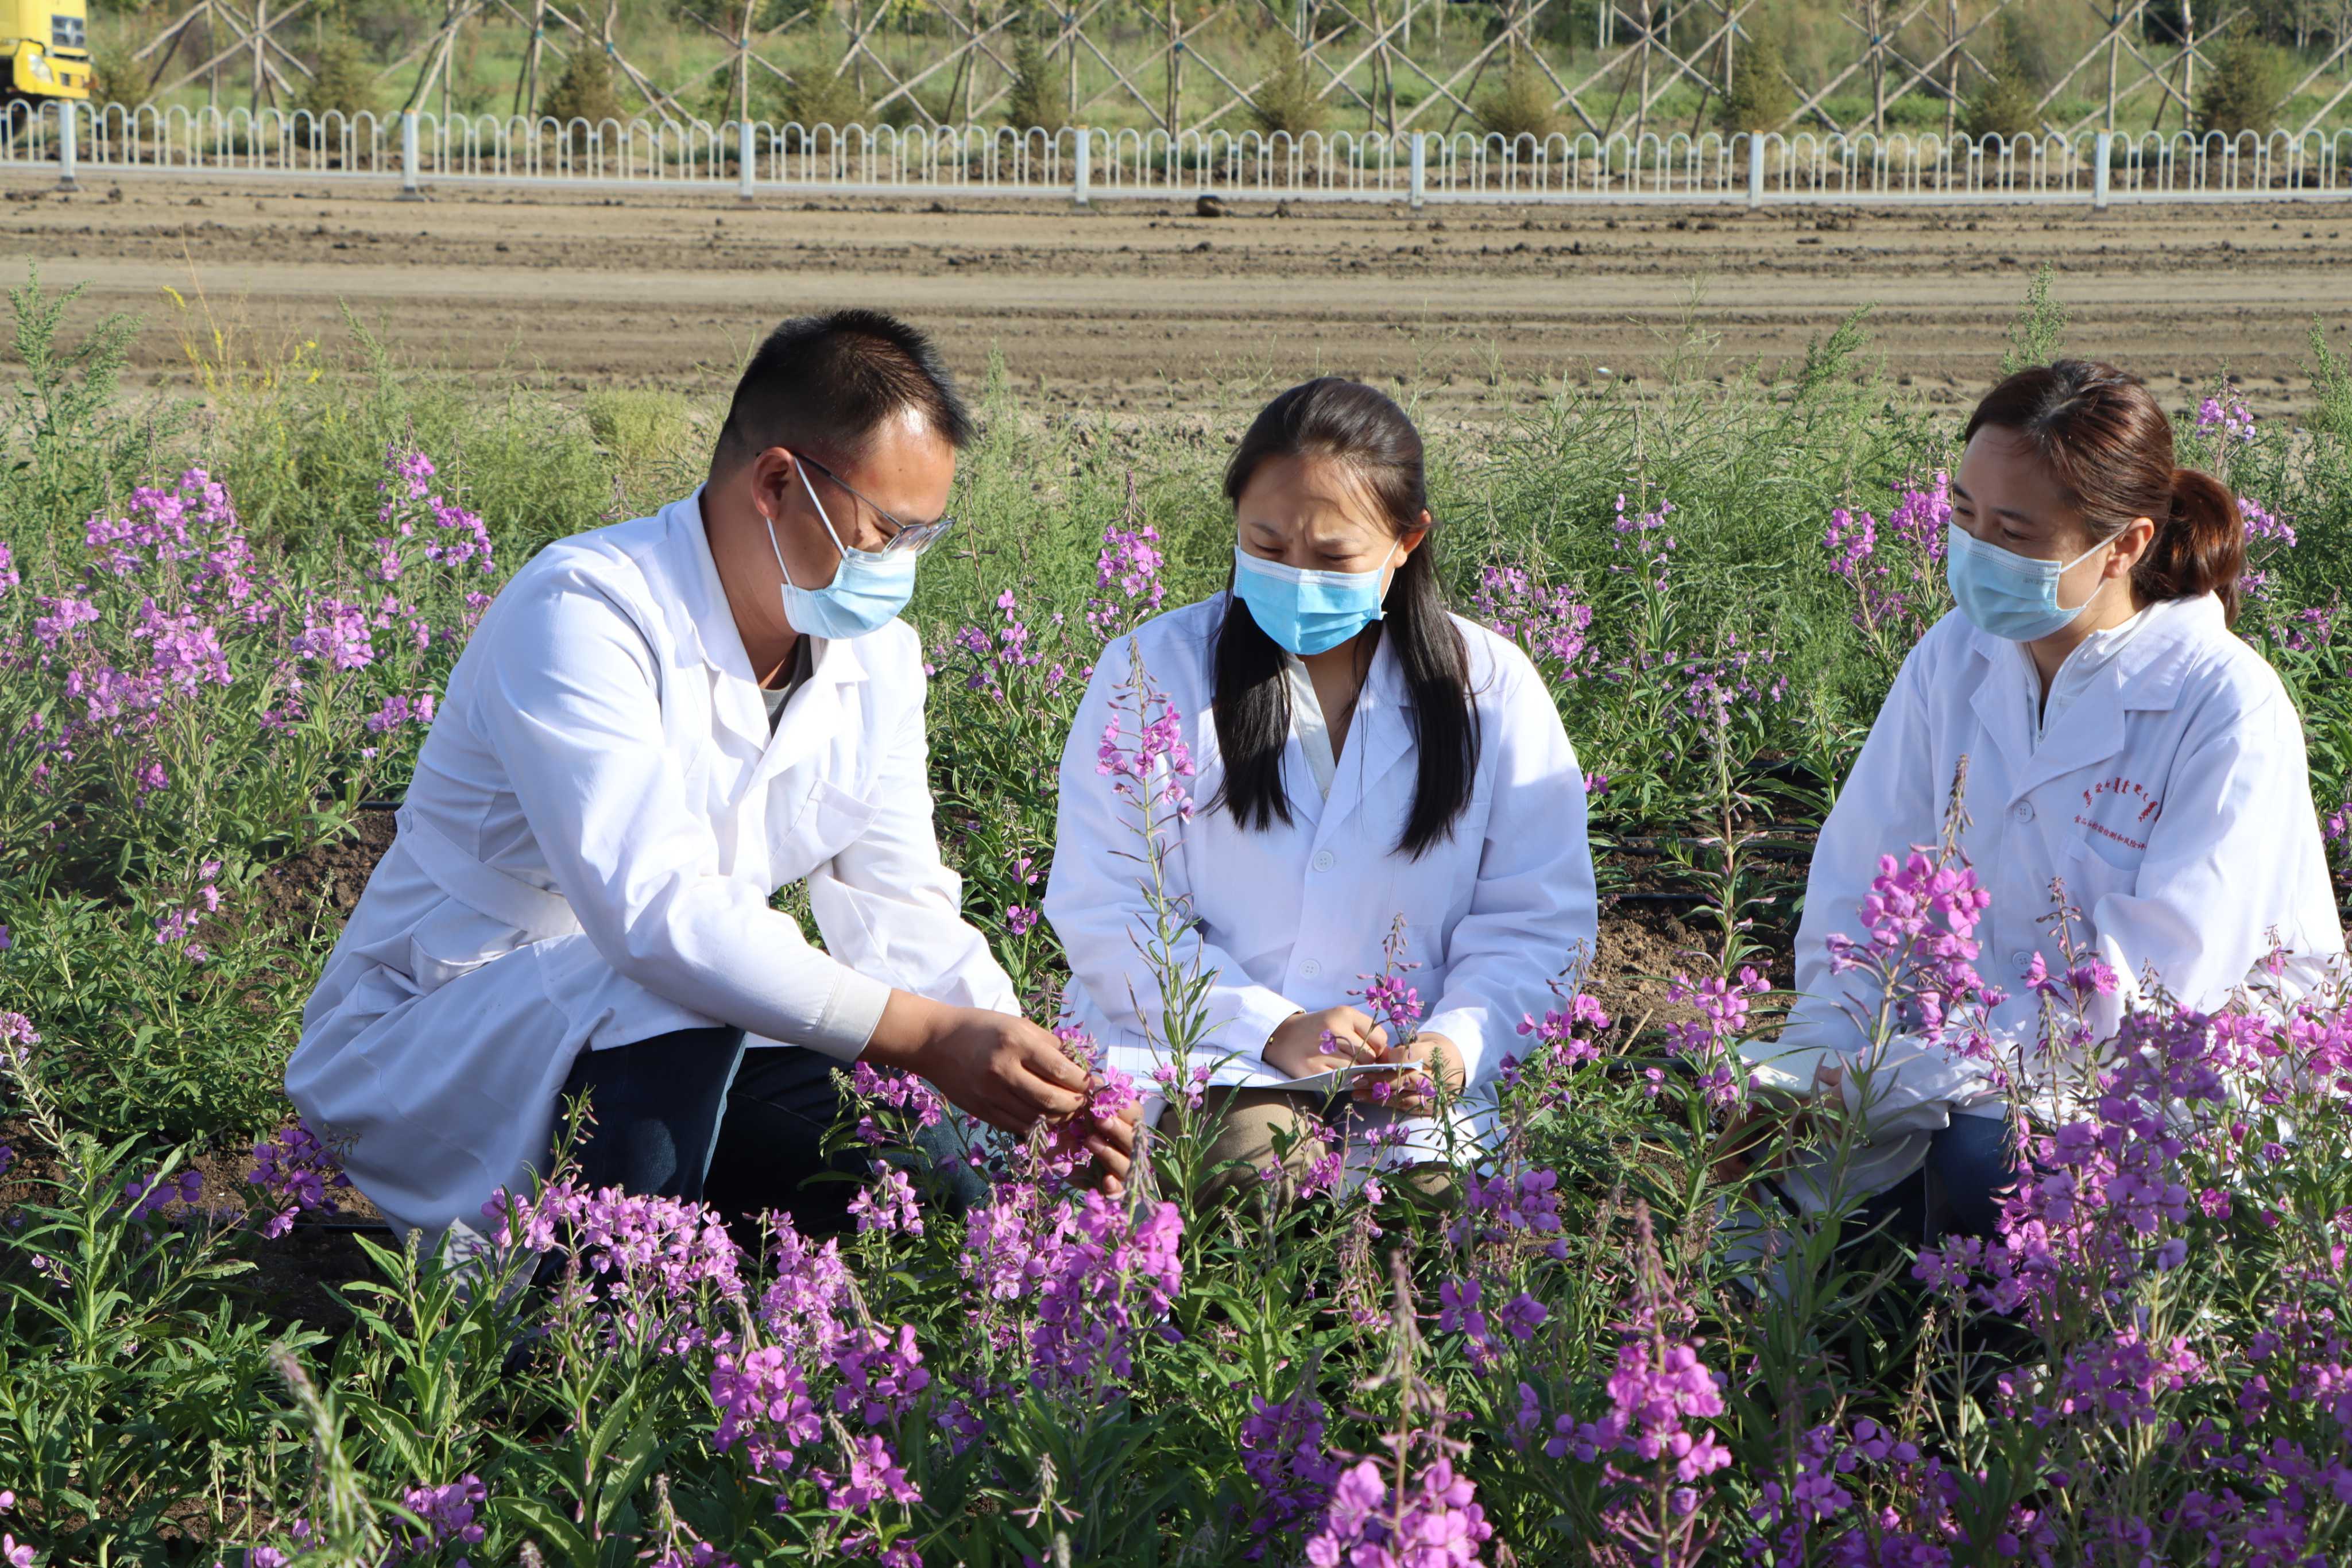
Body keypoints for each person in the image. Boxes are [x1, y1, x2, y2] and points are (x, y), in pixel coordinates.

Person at [288, 311, 1135, 1250]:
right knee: (676, 987)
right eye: (885, 531)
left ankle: (704, 1304)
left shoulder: (876, 658)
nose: (900, 569)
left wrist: (1028, 1078)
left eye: (922, 539)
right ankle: (589, 1340)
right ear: (777, 483)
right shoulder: (586, 609)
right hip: (448, 1028)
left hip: (686, 1039)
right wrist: (931, 1041)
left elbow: (901, 909)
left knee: (910, 1187)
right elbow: (659, 921)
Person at [1755, 359, 2346, 1244]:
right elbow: (1859, 889)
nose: (1977, 551)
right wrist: (1826, 1065)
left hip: (2148, 1076)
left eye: (2016, 532)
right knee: (1767, 1164)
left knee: (1991, 1165)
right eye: (1963, 515)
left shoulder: (2224, 705)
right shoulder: (1955, 657)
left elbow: (2146, 997)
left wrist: (1898, 1075)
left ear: (2124, 546)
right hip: (1962, 1053)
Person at [1043, 377, 1598, 1194]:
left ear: (1407, 542)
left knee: (1428, 1209)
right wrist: (1275, 1028)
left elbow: (1538, 919)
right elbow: (1106, 907)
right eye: (1266, 548)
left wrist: (1454, 1046)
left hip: (1408, 1075)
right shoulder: (1149, 671)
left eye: (1335, 557)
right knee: (1254, 1168)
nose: (1297, 578)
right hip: (1215, 1052)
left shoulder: (1490, 685)